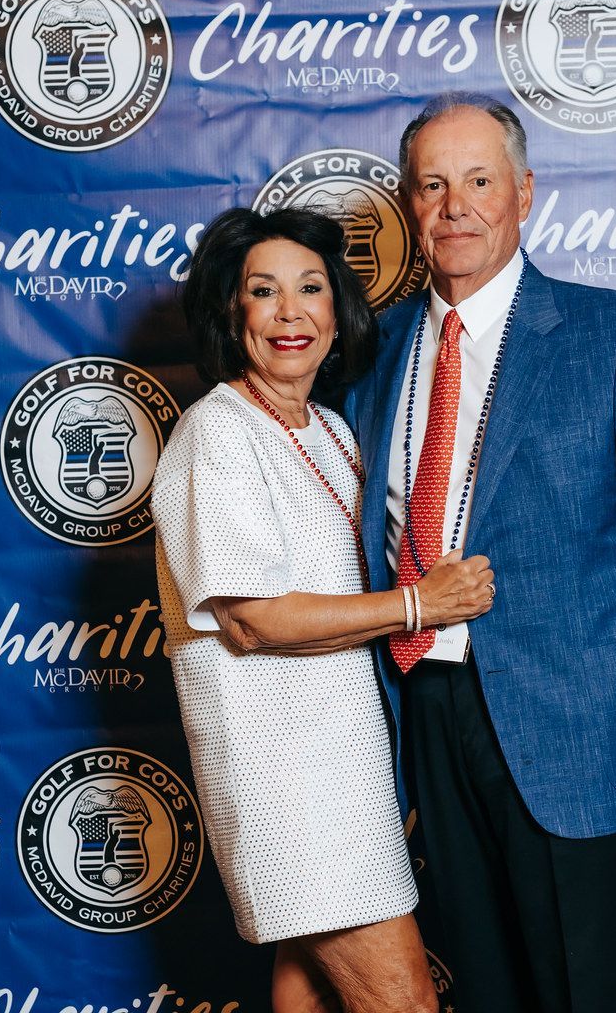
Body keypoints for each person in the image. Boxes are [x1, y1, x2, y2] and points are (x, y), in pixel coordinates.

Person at [345, 93, 616, 1013]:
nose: (456, 206)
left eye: (479, 181)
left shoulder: (614, 333)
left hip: (580, 735)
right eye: (432, 185)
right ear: (407, 205)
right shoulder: (371, 350)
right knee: (483, 989)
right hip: (425, 712)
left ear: (525, 193)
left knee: (587, 992)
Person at [151, 206, 495, 1013]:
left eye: (309, 289)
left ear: (338, 312)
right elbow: (254, 618)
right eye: (261, 292)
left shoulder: (330, 429)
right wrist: (418, 604)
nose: (289, 312)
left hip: (345, 768)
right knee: (402, 1003)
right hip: (288, 784)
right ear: (231, 315)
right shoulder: (218, 433)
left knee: (305, 994)